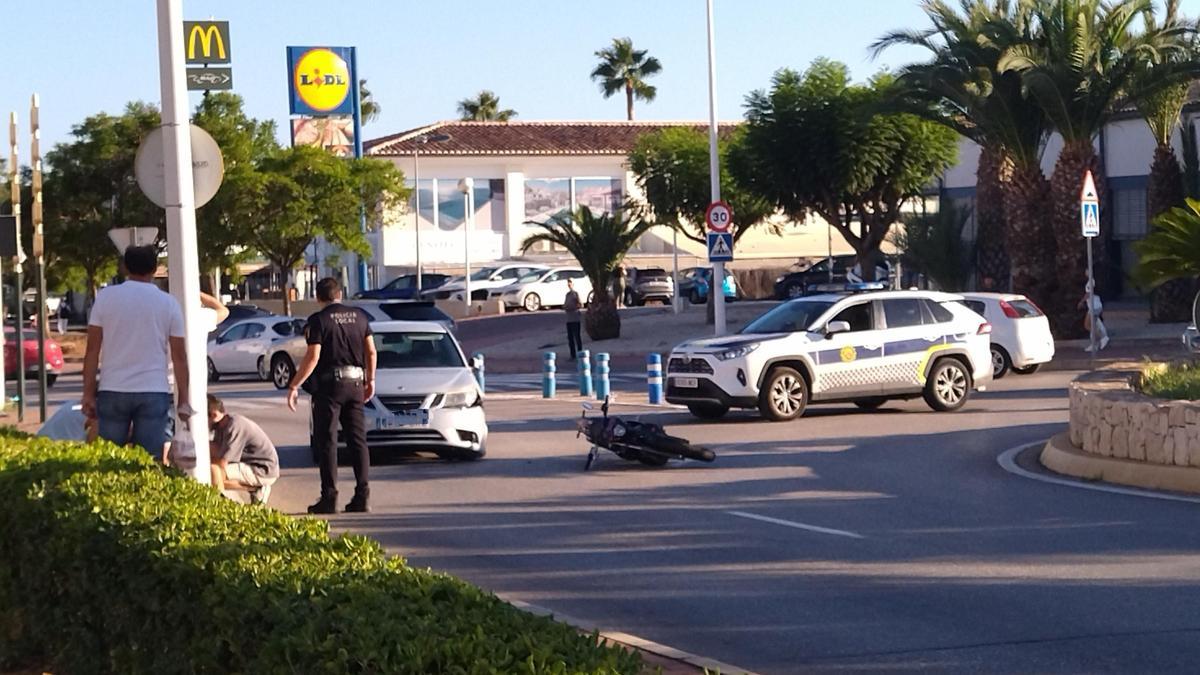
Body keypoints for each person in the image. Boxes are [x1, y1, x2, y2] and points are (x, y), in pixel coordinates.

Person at [81, 245, 193, 457]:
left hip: (113, 388)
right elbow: (179, 356)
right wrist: (183, 399)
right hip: (154, 389)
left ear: (125, 267)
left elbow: (92, 350)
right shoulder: (169, 304)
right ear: (155, 269)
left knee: (108, 460)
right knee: (149, 461)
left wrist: (88, 393)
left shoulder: (106, 298)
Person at [286, 277, 377, 514]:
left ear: (318, 297)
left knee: (327, 441)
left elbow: (313, 356)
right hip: (356, 383)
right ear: (340, 294)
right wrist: (370, 379)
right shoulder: (360, 316)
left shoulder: (319, 320)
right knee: (358, 441)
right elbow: (371, 351)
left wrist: (295, 385)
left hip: (330, 387)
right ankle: (362, 495)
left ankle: (329, 497)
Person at [207, 394, 279, 505]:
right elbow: (215, 449)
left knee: (214, 472)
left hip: (262, 469)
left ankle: (255, 488)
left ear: (214, 415)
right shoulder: (221, 426)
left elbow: (222, 463)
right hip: (250, 464)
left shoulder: (234, 426)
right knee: (211, 469)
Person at [1080, 281, 1110, 352]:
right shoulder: (1091, 281)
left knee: (1087, 325)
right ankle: (1094, 344)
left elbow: (1089, 293)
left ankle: (1103, 337)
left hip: (1094, 307)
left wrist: (1081, 301)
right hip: (1094, 307)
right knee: (1092, 326)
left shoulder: (1090, 281)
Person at [564, 278, 583, 361]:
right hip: (569, 319)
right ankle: (572, 355)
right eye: (568, 283)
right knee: (570, 338)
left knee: (577, 337)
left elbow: (580, 304)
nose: (569, 284)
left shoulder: (575, 294)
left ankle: (580, 353)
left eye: (570, 282)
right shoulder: (567, 294)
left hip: (575, 318)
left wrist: (573, 307)